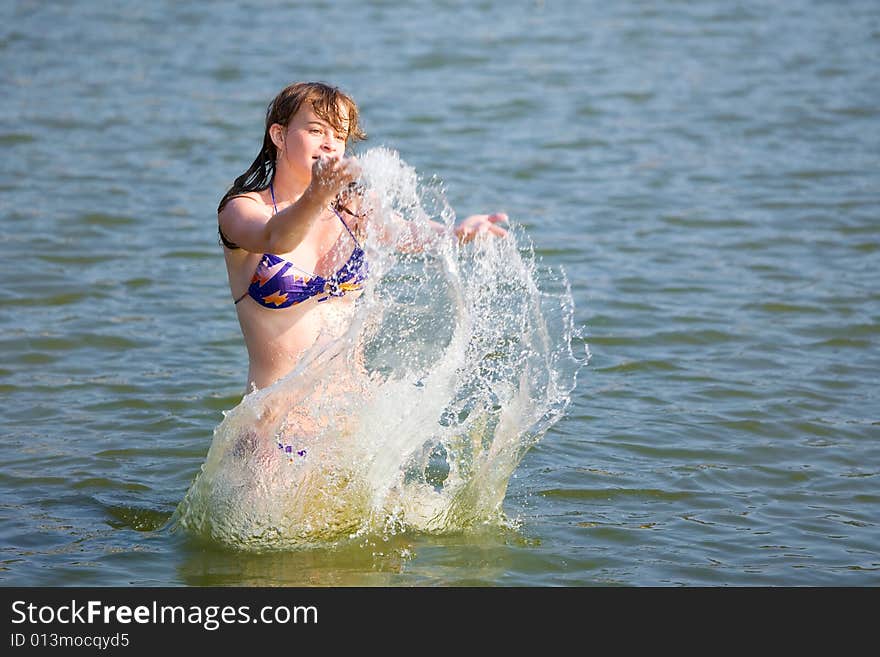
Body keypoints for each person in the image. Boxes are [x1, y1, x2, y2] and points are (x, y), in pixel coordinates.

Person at [217, 81, 508, 393]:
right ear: (279, 135)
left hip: (349, 425)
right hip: (276, 430)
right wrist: (315, 197)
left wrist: (456, 234)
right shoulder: (242, 209)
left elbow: (405, 233)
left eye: (339, 136)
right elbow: (276, 238)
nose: (330, 143)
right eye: (316, 130)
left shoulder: (352, 209)